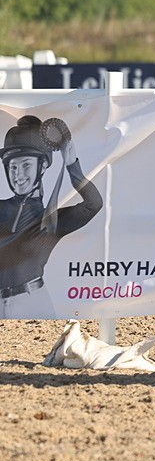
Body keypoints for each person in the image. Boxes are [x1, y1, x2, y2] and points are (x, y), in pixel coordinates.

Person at [0, 115, 103, 316]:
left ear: (43, 166)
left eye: (26, 165)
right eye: (12, 167)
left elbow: (93, 204)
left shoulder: (53, 221)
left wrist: (72, 164)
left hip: (32, 304)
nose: (18, 175)